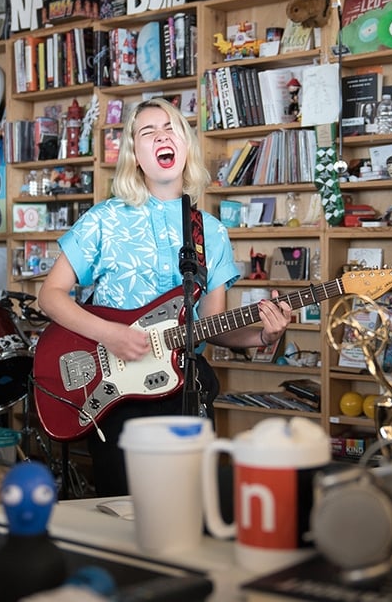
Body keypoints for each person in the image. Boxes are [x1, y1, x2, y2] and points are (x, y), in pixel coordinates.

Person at [37, 98, 292, 496]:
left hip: (184, 390)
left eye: (170, 128)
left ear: (186, 145)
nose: (161, 136)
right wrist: (110, 334)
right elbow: (50, 296)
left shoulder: (211, 231)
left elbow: (213, 325)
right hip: (117, 394)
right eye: (148, 132)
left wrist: (264, 336)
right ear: (135, 154)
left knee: (193, 509)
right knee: (123, 512)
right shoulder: (103, 219)